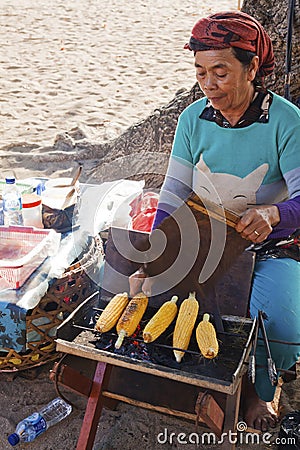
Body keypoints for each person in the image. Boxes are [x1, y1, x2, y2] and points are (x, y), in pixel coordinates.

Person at [129, 11, 300, 431]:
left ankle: (257, 393)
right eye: (201, 72)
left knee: (280, 320)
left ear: (253, 67)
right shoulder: (192, 119)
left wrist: (274, 212)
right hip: (201, 242)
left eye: (221, 72)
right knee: (141, 292)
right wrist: (151, 256)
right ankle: (197, 381)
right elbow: (173, 193)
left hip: (266, 248)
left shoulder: (286, 121)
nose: (209, 84)